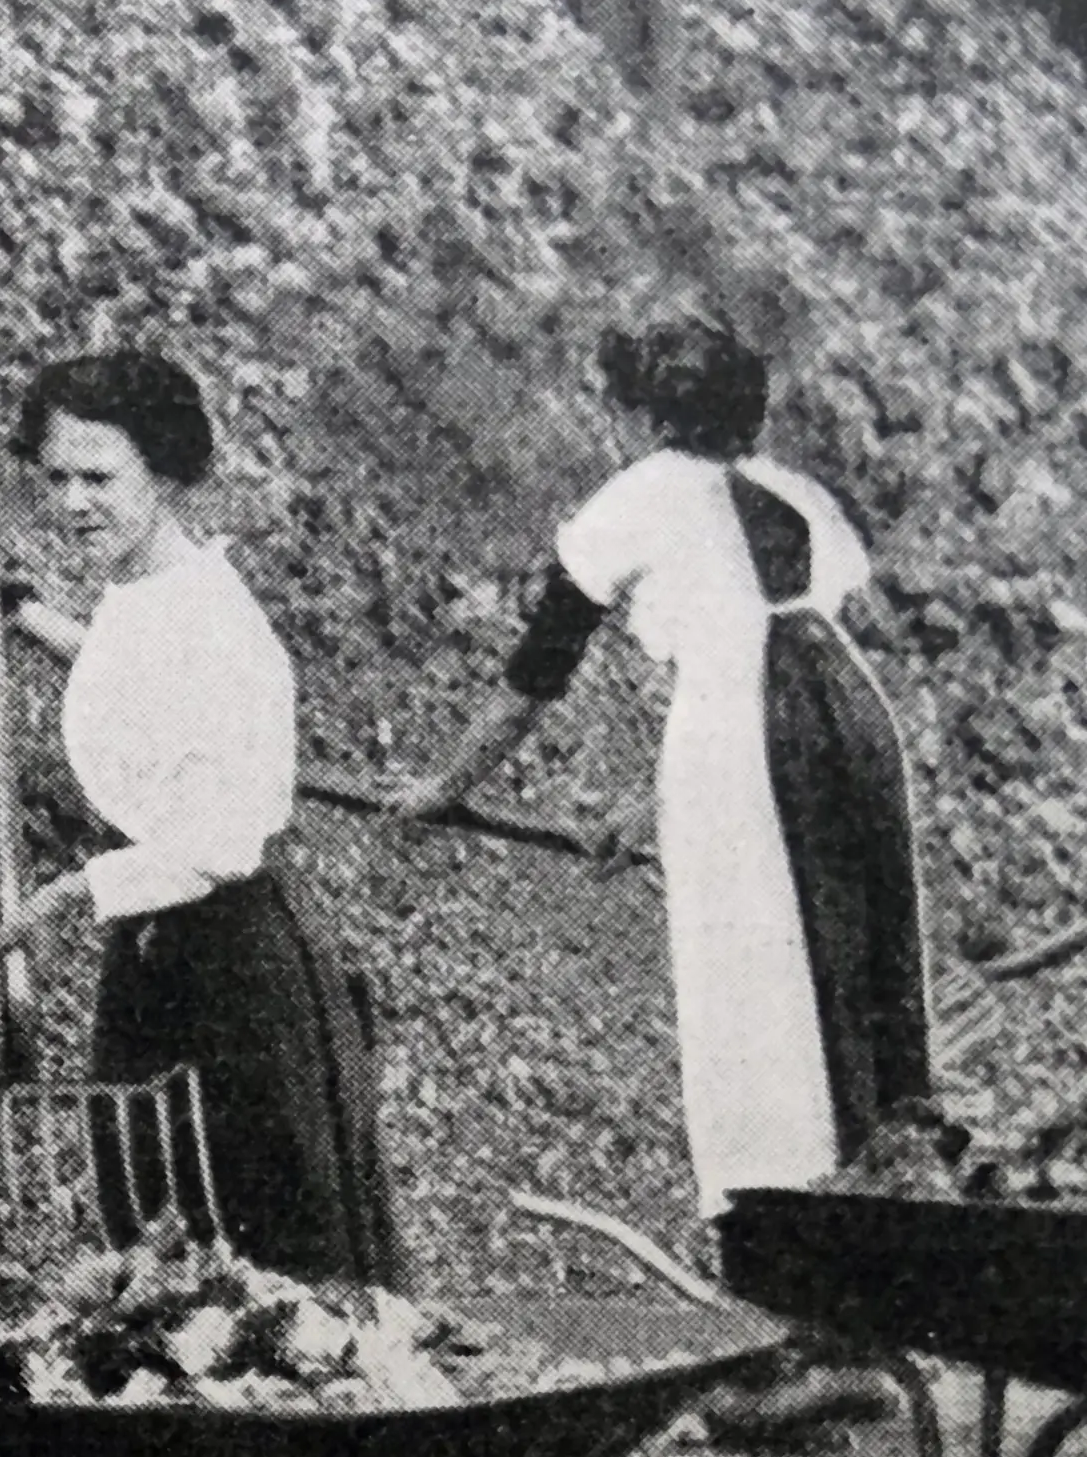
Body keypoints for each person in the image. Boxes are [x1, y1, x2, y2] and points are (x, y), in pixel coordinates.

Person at [393, 317, 932, 1215]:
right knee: (860, 954)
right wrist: (656, 810)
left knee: (757, 973)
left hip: (745, 730)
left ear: (647, 417)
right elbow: (770, 637)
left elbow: (539, 673)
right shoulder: (793, 492)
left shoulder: (637, 496)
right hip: (857, 717)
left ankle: (789, 1214)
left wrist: (444, 786)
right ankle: (892, 1177)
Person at [0, 351, 404, 1288]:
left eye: (101, 478)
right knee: (156, 1216)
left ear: (164, 472)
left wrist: (69, 891)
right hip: (162, 947)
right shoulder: (147, 592)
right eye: (57, 478)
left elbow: (224, 837)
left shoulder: (216, 616)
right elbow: (141, 688)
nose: (75, 502)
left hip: (239, 961)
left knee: (269, 1237)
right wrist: (38, 621)